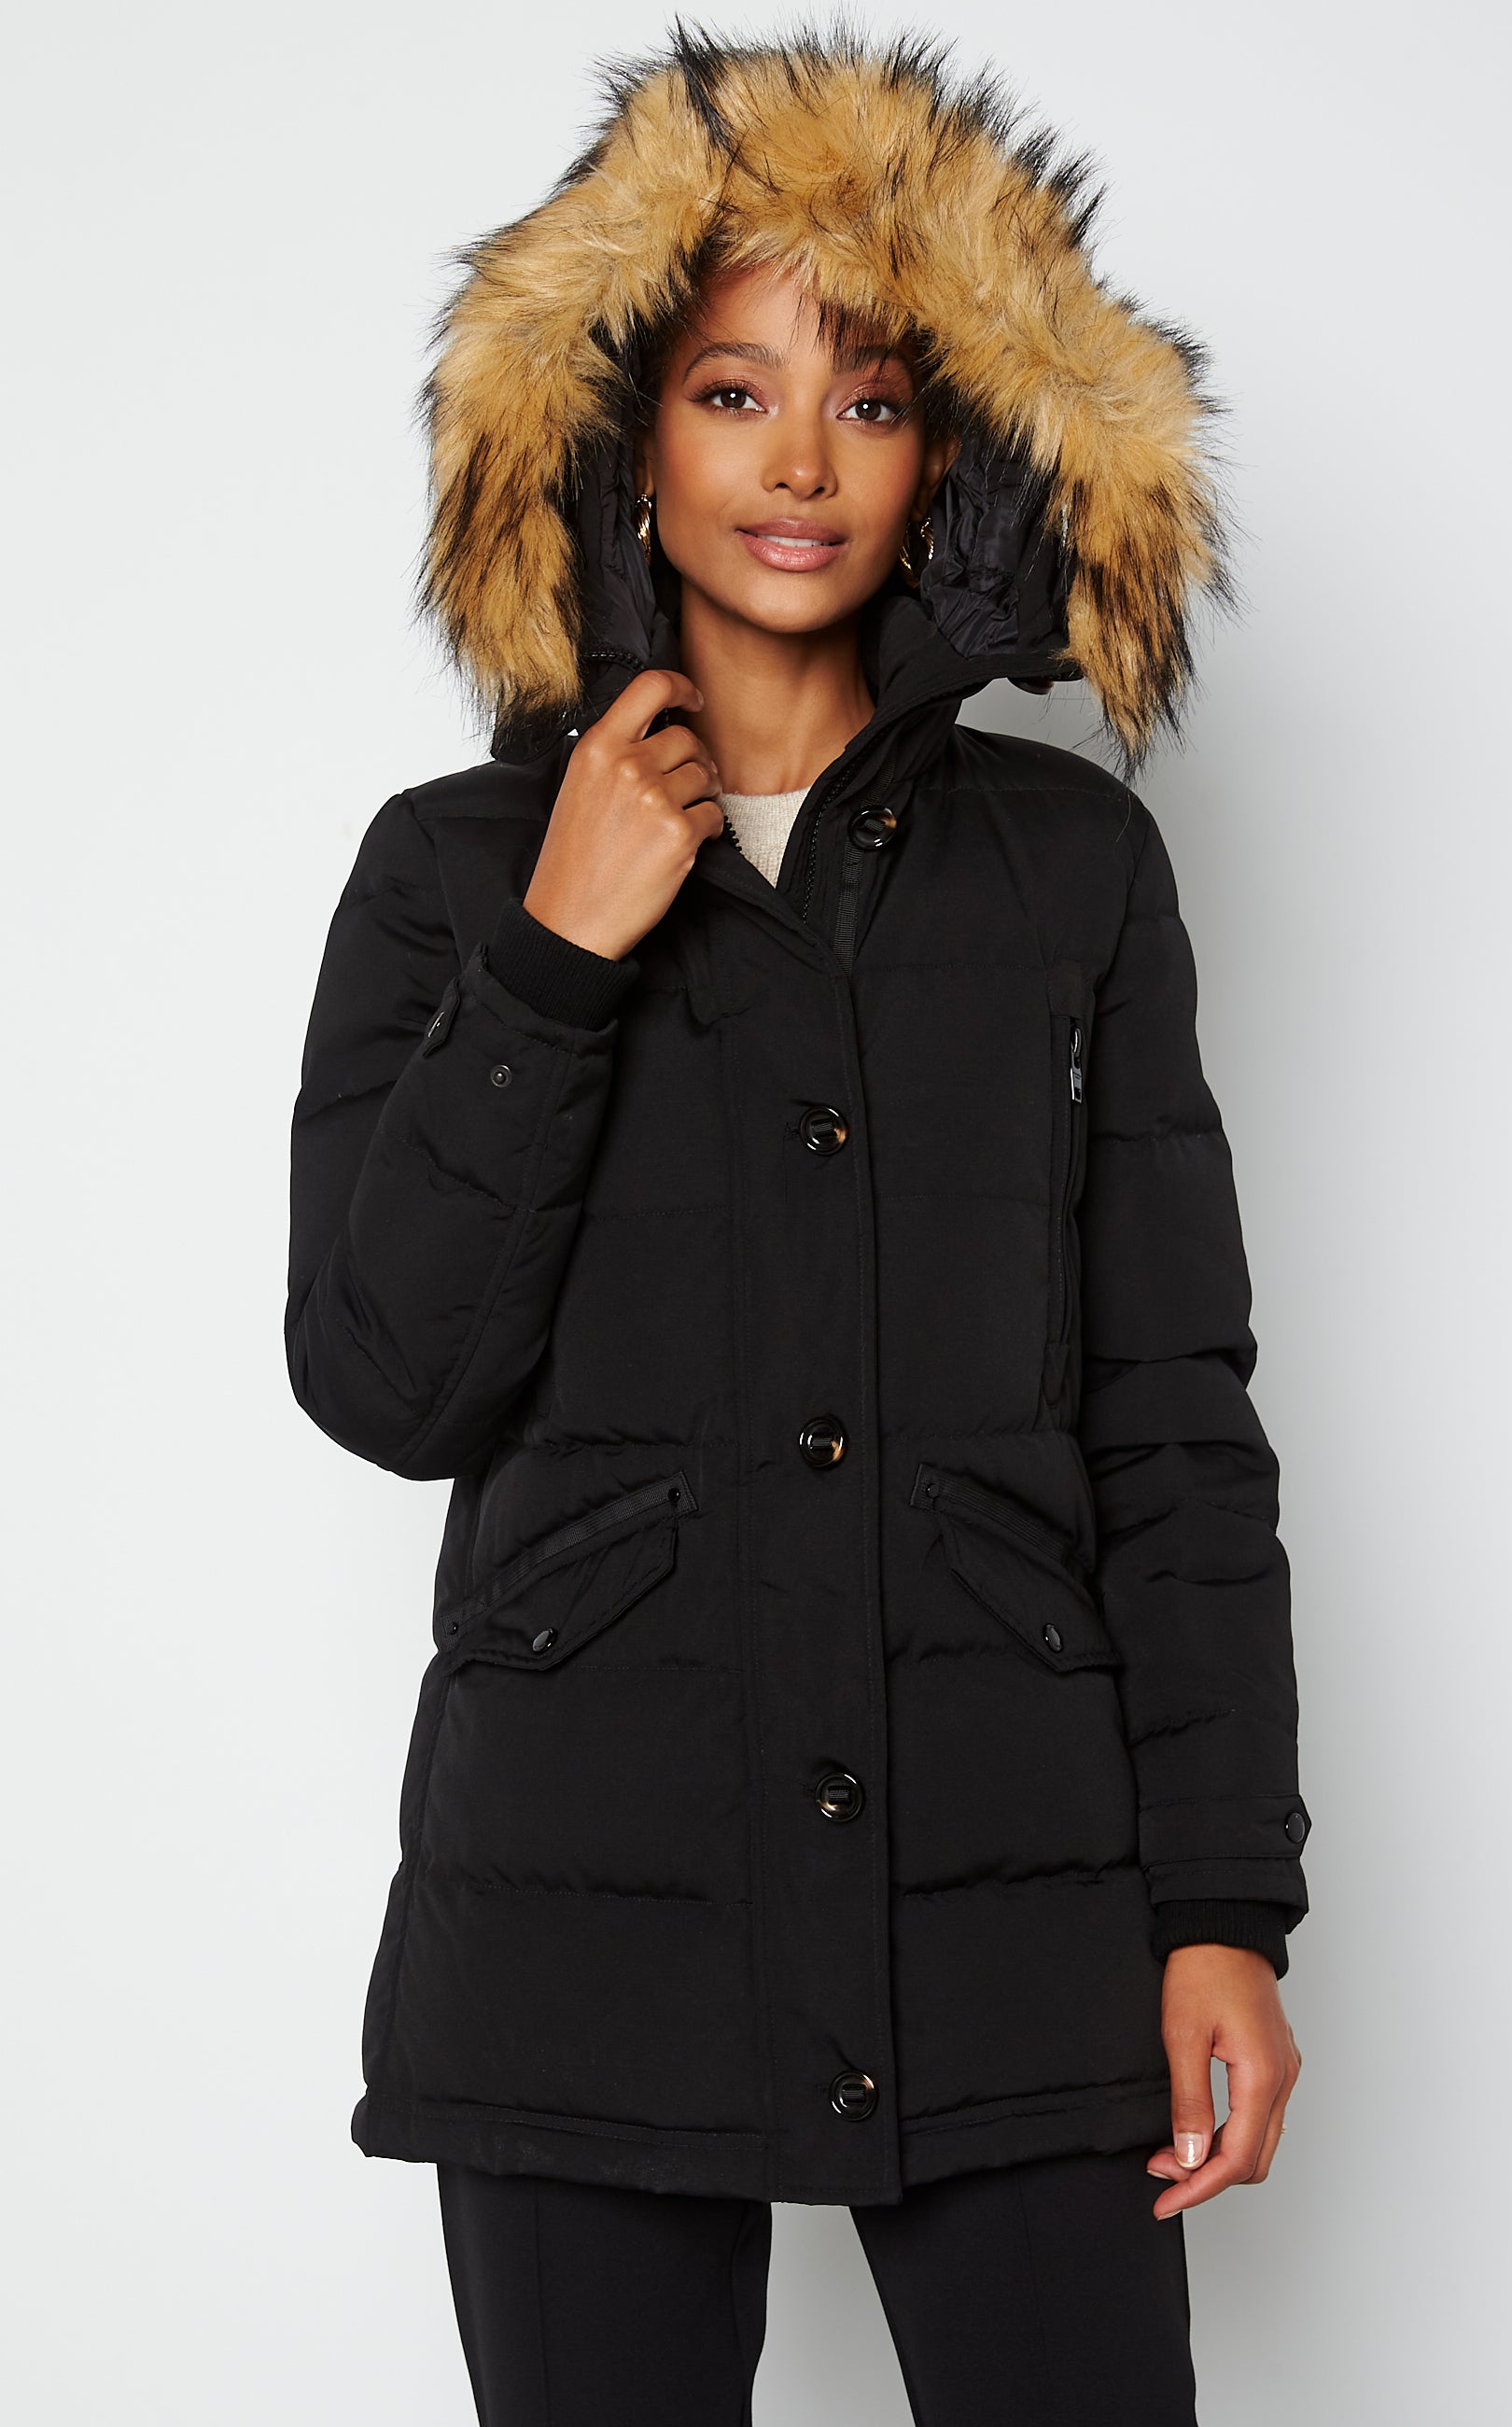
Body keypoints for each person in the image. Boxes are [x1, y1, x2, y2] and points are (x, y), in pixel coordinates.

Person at [287, 27, 1309, 2424]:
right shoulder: (452, 874)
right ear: (625, 430)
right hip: (584, 1923)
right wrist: (557, 956)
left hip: (1017, 1903)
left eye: (869, 401)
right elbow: (384, 1380)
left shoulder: (1073, 874)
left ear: (956, 447)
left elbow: (1173, 1422)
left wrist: (1221, 1908)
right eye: (733, 392)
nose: (799, 461)